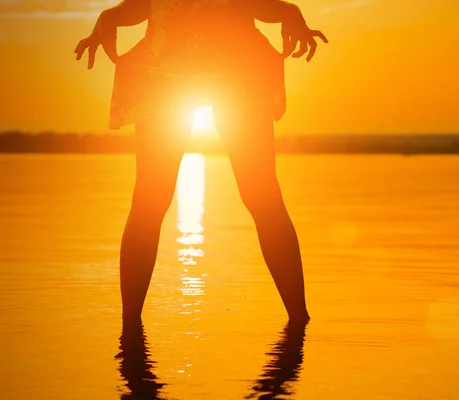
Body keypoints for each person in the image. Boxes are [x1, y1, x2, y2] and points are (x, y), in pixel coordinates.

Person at [75, 0, 327, 323]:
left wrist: (289, 14)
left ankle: (299, 321)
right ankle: (130, 332)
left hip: (227, 73)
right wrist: (110, 17)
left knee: (261, 197)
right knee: (152, 202)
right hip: (179, 74)